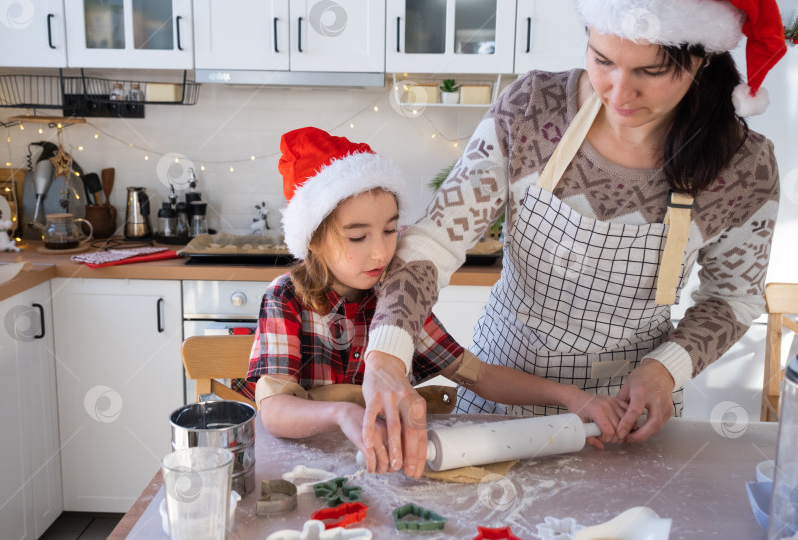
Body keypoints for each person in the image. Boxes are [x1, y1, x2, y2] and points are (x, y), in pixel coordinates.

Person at [361, 0, 787, 478]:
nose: (620, 92)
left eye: (650, 71)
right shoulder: (533, 109)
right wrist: (386, 355)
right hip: (501, 396)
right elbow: (432, 244)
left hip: (626, 415)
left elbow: (732, 298)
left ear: (701, 58)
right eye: (603, 60)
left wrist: (665, 369)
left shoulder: (745, 166)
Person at [238, 126, 626, 470]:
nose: (380, 252)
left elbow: (479, 375)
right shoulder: (286, 297)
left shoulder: (394, 298)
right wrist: (342, 413)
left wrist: (569, 396)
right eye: (358, 237)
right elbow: (273, 413)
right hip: (305, 466)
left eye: (390, 231)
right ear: (312, 241)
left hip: (384, 465)